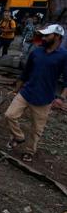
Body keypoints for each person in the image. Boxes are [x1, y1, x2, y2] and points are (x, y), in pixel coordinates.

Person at [4, 24, 67, 162]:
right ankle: (19, 137)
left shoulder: (63, 56)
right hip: (27, 92)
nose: (43, 38)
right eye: (43, 35)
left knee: (36, 129)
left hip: (44, 98)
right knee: (10, 115)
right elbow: (25, 73)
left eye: (47, 35)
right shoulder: (36, 52)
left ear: (57, 37)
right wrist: (16, 89)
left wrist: (61, 98)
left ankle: (29, 151)